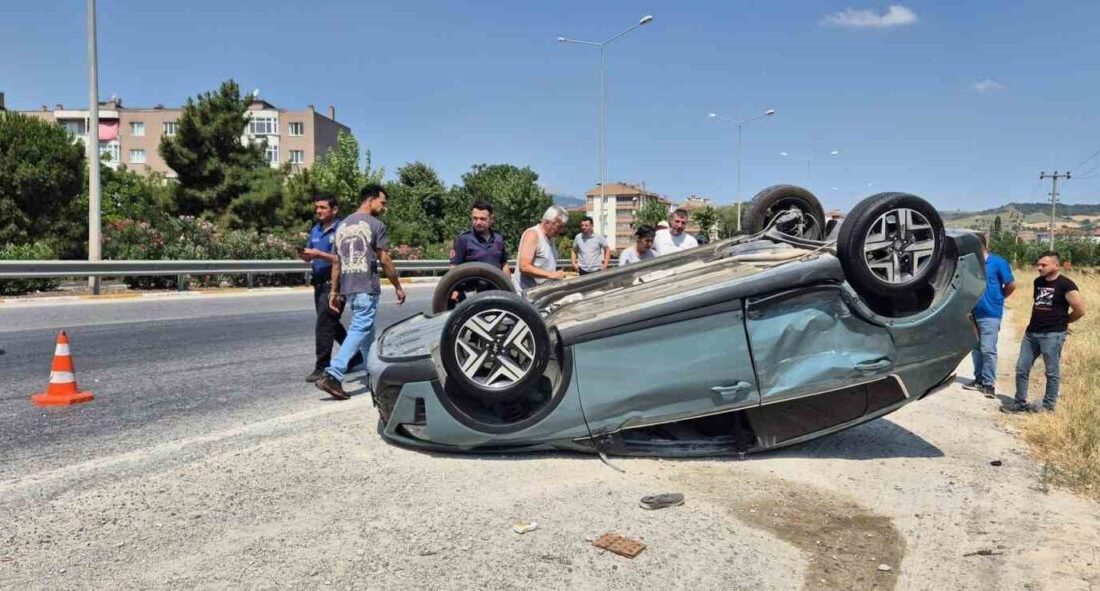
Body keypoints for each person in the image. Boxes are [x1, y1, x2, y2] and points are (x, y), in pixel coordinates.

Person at [315, 184, 406, 400]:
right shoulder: (376, 225)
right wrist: (397, 286)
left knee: (367, 333)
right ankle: (333, 374)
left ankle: (373, 373)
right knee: (360, 328)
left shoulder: (342, 225)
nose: (384, 208)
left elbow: (337, 262)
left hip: (349, 288)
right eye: (382, 203)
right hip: (366, 286)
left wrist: (334, 292)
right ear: (371, 200)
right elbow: (385, 259)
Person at [1002, 251, 1086, 413]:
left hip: (1053, 334)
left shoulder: (1066, 285)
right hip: (1032, 333)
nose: (1039, 267)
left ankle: (1048, 406)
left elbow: (1080, 310)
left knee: (1051, 372)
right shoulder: (1038, 282)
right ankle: (1020, 403)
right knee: (1022, 368)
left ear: (1056, 265)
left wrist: (1064, 322)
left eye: (1044, 265)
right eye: (1038, 264)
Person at [298, 193, 362, 383]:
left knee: (324, 325)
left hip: (336, 283)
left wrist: (319, 254)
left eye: (323, 207)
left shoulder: (343, 229)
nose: (318, 211)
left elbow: (341, 259)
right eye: (317, 207)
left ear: (334, 210)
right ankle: (355, 356)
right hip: (318, 282)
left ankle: (322, 366)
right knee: (330, 323)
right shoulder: (316, 229)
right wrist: (306, 255)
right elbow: (311, 253)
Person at [962, 233, 1016, 398]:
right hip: (972, 312)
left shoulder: (998, 263)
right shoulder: (970, 264)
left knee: (988, 349)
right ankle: (978, 379)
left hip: (990, 313)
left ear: (979, 245)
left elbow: (1011, 285)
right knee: (976, 348)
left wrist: (998, 299)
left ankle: (989, 384)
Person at [513, 205, 568, 291]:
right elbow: (524, 266)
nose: (561, 231)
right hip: (527, 293)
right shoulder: (533, 235)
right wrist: (551, 275)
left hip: (541, 292)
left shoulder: (550, 238)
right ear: (547, 222)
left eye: (562, 227)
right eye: (559, 227)